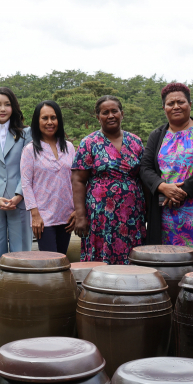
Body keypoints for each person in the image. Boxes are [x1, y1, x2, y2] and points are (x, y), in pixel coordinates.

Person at [140, 83, 193, 270]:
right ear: (164, 108)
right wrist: (162, 186)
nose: (176, 106)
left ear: (190, 104)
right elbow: (145, 167)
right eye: (171, 103)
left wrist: (183, 190)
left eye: (181, 102)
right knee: (167, 265)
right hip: (164, 212)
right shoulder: (156, 135)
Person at [71, 95, 146, 265]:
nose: (111, 115)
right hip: (100, 214)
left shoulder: (136, 142)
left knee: (133, 257)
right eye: (105, 112)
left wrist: (148, 211)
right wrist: (80, 216)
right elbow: (78, 180)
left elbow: (145, 177)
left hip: (132, 214)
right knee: (101, 259)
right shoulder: (89, 143)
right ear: (98, 117)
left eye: (115, 111)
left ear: (122, 114)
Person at [0, 87, 33, 283]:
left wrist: (19, 194)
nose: (3, 109)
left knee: (22, 253)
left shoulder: (26, 133)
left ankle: (23, 295)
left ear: (14, 107)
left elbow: (28, 168)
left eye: (7, 104)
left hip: (19, 200)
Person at [20, 100, 76, 254]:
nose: (50, 122)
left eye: (53, 117)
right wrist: (35, 215)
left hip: (67, 215)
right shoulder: (30, 150)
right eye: (45, 118)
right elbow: (26, 184)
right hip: (44, 218)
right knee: (50, 263)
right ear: (37, 121)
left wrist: (77, 209)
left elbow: (76, 180)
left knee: (62, 259)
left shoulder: (69, 147)